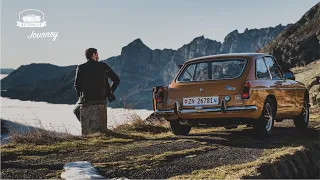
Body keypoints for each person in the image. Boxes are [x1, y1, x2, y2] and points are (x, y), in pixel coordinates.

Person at [73, 48, 120, 122]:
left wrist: (81, 96)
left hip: (87, 99)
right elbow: (116, 79)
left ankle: (87, 125)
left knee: (76, 111)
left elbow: (76, 85)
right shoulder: (103, 66)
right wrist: (109, 92)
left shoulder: (81, 68)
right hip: (102, 98)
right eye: (97, 54)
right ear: (93, 55)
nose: (98, 57)